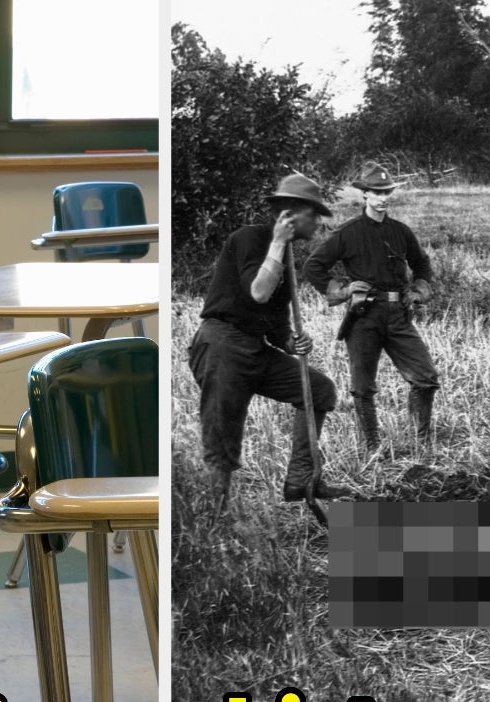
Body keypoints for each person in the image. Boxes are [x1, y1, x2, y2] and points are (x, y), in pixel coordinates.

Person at [188, 173, 351, 509]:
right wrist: (277, 243)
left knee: (318, 389)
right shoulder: (250, 238)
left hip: (254, 349)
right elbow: (259, 292)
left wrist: (290, 342)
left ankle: (301, 480)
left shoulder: (288, 259)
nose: (318, 222)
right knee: (221, 443)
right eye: (314, 214)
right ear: (289, 214)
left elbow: (275, 323)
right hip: (221, 345)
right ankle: (213, 522)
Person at [303, 165, 440, 455]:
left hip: (399, 314)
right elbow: (314, 266)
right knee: (363, 387)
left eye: (387, 192)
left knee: (425, 378)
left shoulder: (400, 231)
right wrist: (342, 291)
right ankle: (372, 447)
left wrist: (419, 290)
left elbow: (421, 262)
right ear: (364, 194)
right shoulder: (348, 233)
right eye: (377, 193)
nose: (383, 198)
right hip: (364, 317)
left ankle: (421, 445)